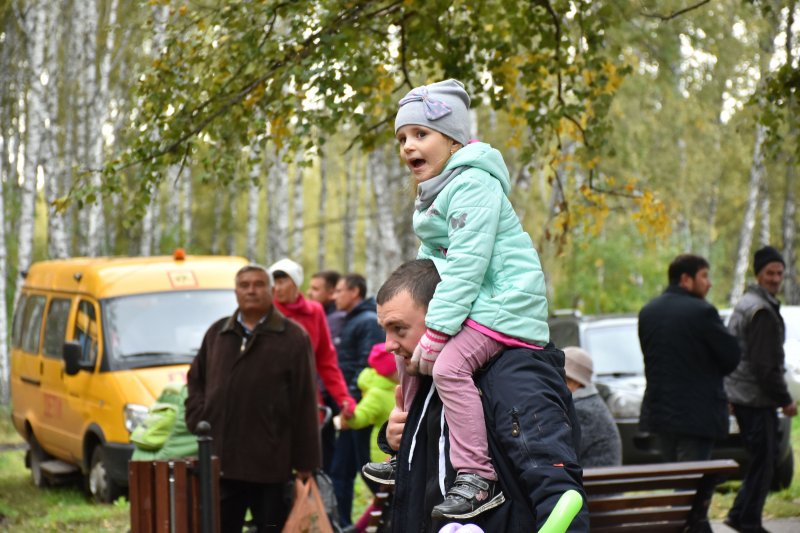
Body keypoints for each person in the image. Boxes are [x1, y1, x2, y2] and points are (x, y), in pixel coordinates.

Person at [362, 79, 549, 520]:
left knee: (447, 365)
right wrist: (419, 319)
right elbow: (431, 265)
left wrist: (439, 329)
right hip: (478, 305)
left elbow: (466, 264)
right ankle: (402, 450)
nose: (409, 145)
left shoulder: (473, 186)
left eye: (420, 134)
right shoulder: (433, 196)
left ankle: (478, 477)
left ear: (452, 139)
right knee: (408, 359)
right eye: (402, 138)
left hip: (507, 305)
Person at [374, 259, 587, 532]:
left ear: (445, 318)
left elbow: (556, 489)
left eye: (398, 329)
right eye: (385, 330)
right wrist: (395, 442)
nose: (388, 345)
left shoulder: (516, 377)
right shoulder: (430, 375)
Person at [185, 265, 320, 533]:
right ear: (235, 292)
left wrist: (307, 462)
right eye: (244, 285)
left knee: (271, 527)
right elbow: (196, 380)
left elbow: (304, 399)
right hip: (221, 461)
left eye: (258, 284)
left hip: (270, 463)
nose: (251, 290)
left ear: (271, 291)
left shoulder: (292, 337)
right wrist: (201, 417)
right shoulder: (217, 334)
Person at [638, 253, 741, 467]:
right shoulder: (702, 312)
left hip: (660, 414)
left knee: (676, 477)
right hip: (697, 416)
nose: (709, 283)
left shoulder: (648, 312)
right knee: (692, 485)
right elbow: (732, 355)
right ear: (686, 279)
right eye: (704, 276)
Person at [724, 246, 798, 533]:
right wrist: (785, 399)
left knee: (759, 461)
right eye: (770, 272)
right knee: (764, 462)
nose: (776, 278)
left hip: (744, 395)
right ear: (759, 273)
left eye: (780, 272)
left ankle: (739, 513)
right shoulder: (760, 310)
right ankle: (748, 521)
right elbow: (765, 365)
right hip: (755, 398)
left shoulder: (748, 302)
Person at [268, 258, 356, 472]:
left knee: (311, 467)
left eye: (283, 281)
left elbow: (326, 361)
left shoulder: (314, 312)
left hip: (307, 401)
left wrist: (343, 398)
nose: (277, 287)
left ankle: (309, 505)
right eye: (274, 281)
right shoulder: (267, 313)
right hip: (270, 403)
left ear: (296, 283)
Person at [330, 272, 386, 528]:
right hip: (352, 406)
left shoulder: (366, 322)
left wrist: (349, 400)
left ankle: (385, 516)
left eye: (339, 290)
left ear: (354, 292)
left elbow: (369, 364)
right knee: (342, 470)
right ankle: (342, 523)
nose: (334, 295)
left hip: (359, 408)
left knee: (367, 471)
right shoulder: (353, 319)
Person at [338, 343, 398, 533]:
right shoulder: (378, 393)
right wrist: (351, 417)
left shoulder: (400, 385)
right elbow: (362, 416)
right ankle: (359, 529)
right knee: (386, 500)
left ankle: (360, 528)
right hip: (384, 456)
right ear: (391, 371)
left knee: (386, 500)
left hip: (397, 453)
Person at [562, 346, 622, 467]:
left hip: (595, 481)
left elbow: (561, 452)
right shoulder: (588, 402)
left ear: (574, 381)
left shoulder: (582, 410)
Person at [309, 269, 346, 339]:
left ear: (332, 293)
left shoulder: (338, 319)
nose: (309, 293)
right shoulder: (322, 314)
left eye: (315, 289)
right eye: (310, 288)